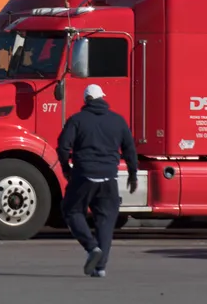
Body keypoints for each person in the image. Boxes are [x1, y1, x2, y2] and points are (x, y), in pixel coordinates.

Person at [57, 83, 139, 278]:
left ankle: (91, 247)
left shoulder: (76, 120)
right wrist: (132, 175)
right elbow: (130, 150)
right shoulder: (118, 121)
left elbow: (62, 147)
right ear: (103, 98)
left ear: (86, 100)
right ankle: (100, 267)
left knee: (72, 210)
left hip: (84, 175)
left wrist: (65, 168)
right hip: (109, 177)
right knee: (106, 220)